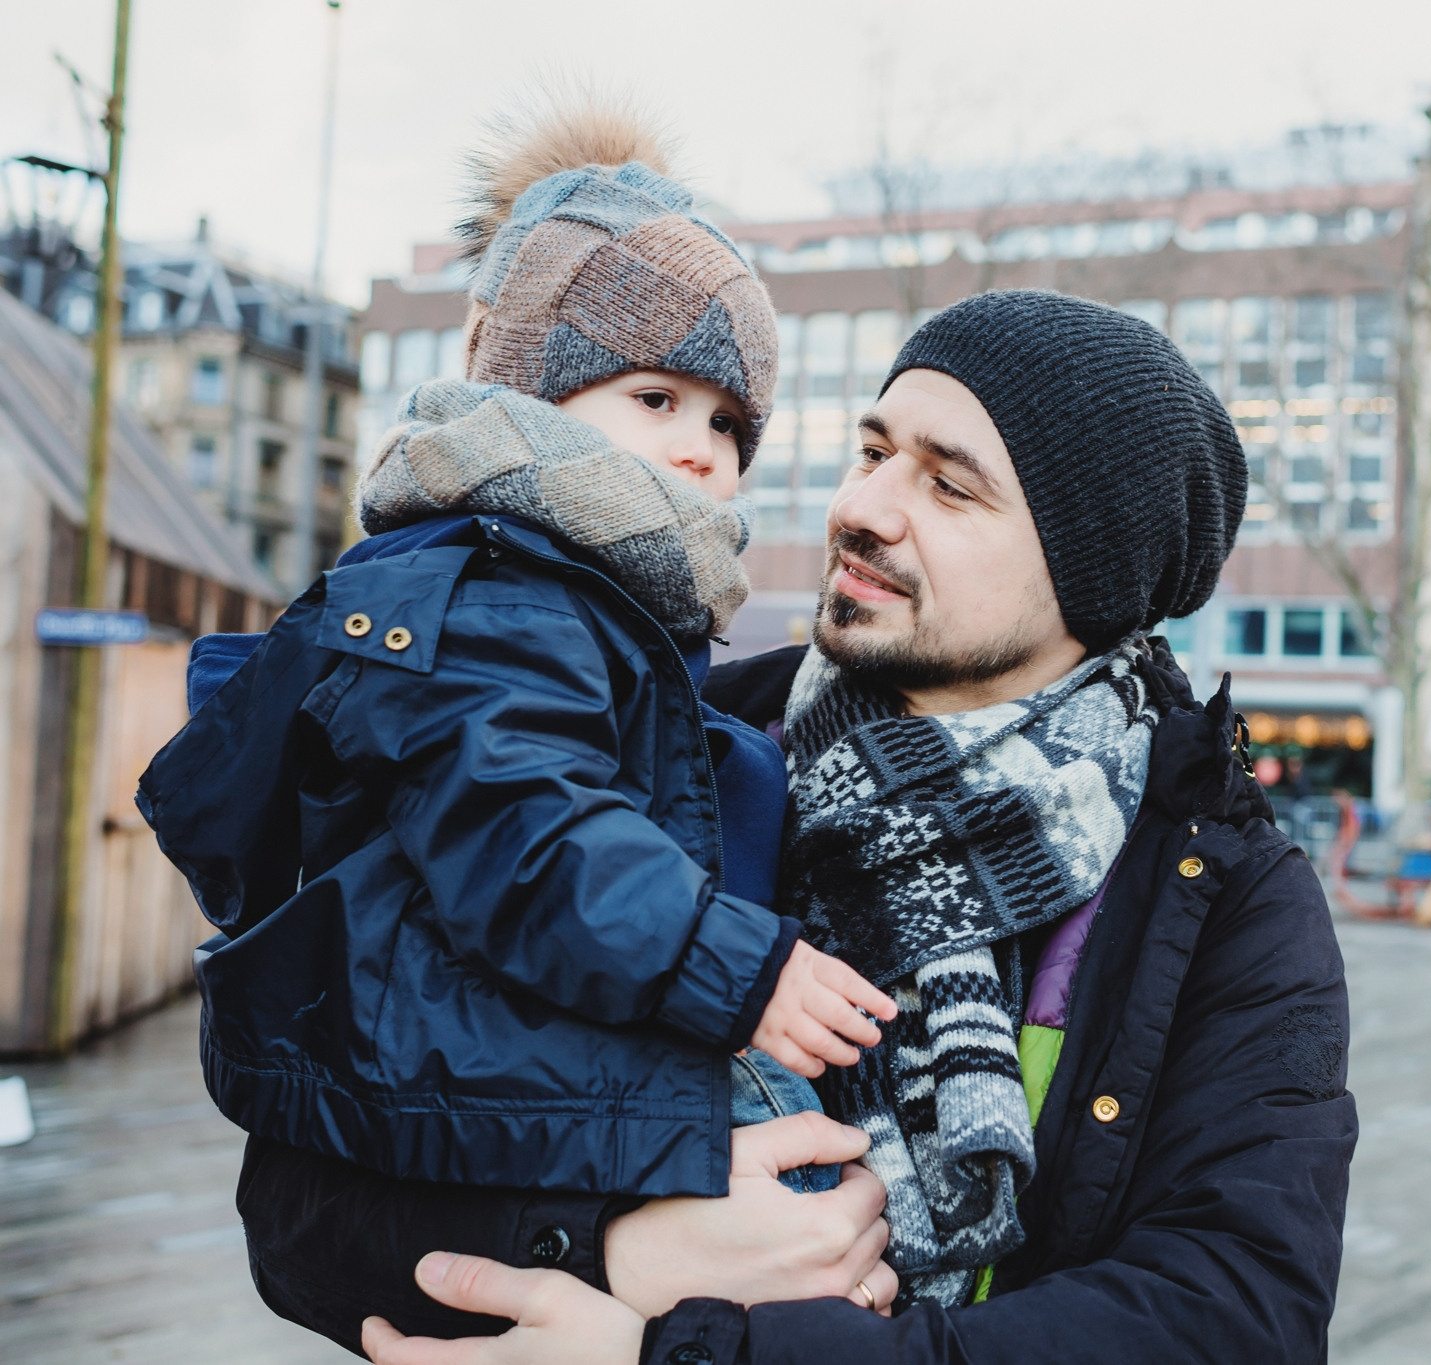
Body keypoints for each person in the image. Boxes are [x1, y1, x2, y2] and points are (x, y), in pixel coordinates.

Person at [293, 289, 1358, 1363]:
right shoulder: (644, 751)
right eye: (872, 450)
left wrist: (678, 1353)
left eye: (947, 486)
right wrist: (617, 1259)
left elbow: (1232, 1317)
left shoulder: (1222, 891)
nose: (865, 507)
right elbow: (300, 1201)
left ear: (1090, 576)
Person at [136, 101, 900, 1340]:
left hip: (541, 1073)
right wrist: (736, 966)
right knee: (786, 1151)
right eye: (654, 399)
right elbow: (526, 826)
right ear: (533, 393)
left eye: (725, 423)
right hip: (516, 1071)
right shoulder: (504, 594)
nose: (702, 451)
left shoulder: (593, 608)